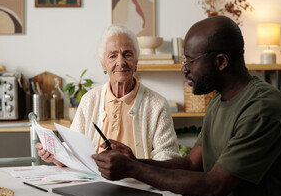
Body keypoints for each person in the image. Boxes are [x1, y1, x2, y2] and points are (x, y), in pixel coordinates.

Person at [92, 16, 281, 196]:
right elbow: (190, 163)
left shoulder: (263, 109)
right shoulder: (218, 102)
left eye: (191, 61)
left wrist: (131, 169)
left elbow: (214, 187)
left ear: (221, 62)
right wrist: (133, 161)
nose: (184, 69)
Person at [36, 25, 180, 167]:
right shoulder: (89, 100)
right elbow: (74, 148)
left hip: (140, 184)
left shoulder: (157, 104)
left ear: (136, 60)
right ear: (103, 64)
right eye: (113, 56)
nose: (121, 62)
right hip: (94, 183)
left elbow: (168, 157)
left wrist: (134, 164)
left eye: (127, 54)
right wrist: (56, 155)